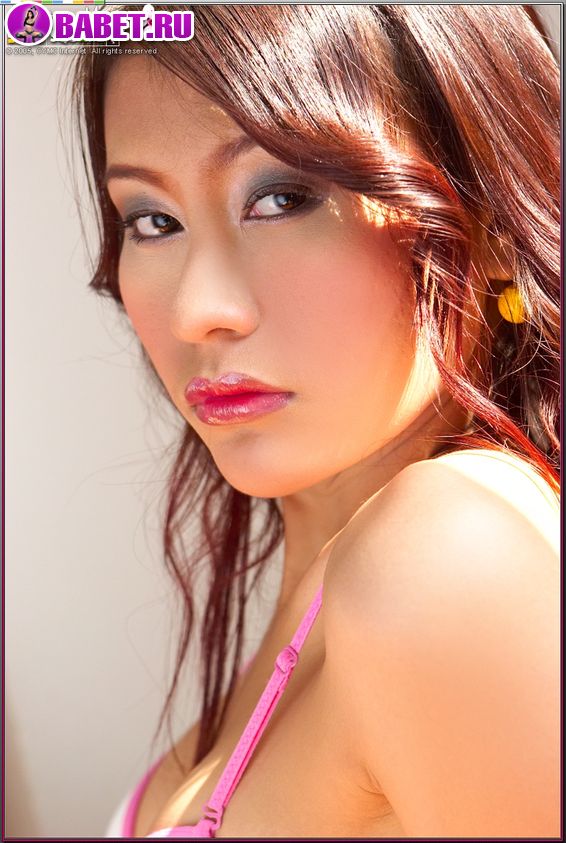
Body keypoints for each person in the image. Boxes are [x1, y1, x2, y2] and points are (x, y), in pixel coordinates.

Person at [68, 4, 560, 838]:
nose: (199, 310)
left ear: (493, 227)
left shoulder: (445, 556)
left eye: (283, 197)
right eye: (153, 221)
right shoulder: (348, 593)